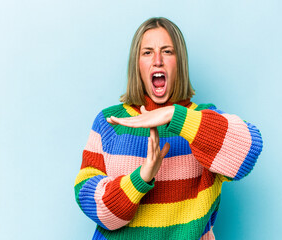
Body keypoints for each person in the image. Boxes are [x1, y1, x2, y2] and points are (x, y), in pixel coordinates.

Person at [74, 17, 263, 240]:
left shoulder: (202, 121)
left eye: (167, 51)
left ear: (179, 62)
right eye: (147, 52)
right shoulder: (110, 122)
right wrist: (142, 177)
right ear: (137, 64)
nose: (157, 61)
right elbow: (99, 210)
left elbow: (247, 152)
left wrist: (174, 115)